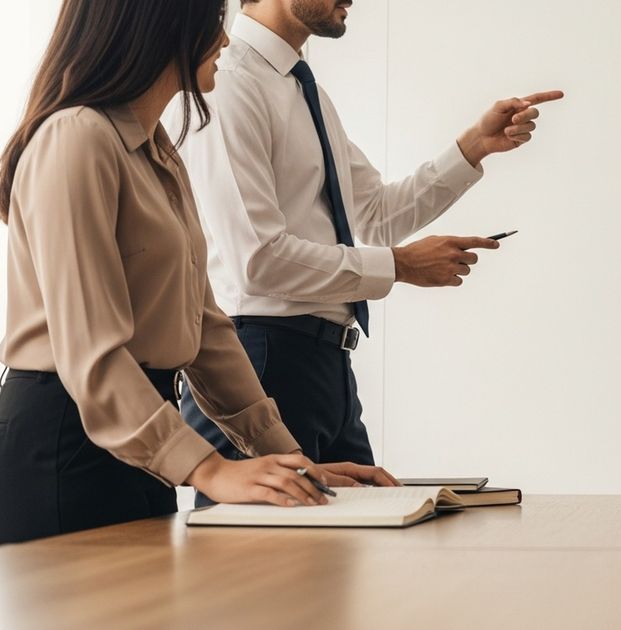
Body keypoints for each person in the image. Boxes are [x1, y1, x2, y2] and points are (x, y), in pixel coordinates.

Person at [0, 0, 394, 544]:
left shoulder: (159, 154)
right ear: (163, 25)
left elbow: (206, 329)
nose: (225, 40)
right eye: (213, 22)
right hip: (64, 443)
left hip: (142, 437)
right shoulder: (75, 138)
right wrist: (209, 469)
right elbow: (92, 354)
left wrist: (291, 459)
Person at [169, 0, 561, 505]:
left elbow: (374, 215)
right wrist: (400, 265)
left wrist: (474, 147)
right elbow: (258, 261)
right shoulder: (229, 84)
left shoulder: (301, 89)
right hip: (261, 363)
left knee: (352, 542)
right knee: (259, 554)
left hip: (325, 366)